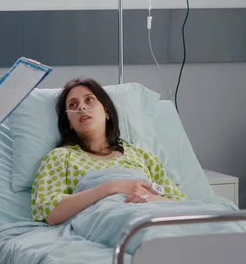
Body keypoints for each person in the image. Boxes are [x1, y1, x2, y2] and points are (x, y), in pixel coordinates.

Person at [31, 78, 187, 225]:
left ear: (106, 111)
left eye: (89, 100)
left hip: (156, 216)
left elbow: (180, 203)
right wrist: (110, 187)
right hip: (109, 221)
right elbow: (50, 213)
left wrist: (151, 199)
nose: (81, 107)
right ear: (69, 123)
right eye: (72, 105)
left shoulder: (142, 155)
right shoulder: (60, 157)